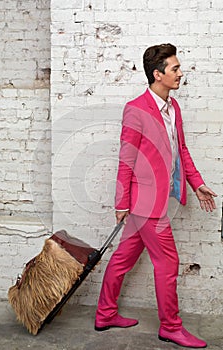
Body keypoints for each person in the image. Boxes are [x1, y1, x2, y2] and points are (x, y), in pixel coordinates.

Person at [94, 43, 217, 348]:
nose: (180, 73)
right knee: (168, 261)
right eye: (175, 68)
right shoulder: (136, 109)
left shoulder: (173, 108)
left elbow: (182, 150)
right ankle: (171, 327)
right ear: (157, 74)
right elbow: (127, 160)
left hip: (158, 199)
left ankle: (105, 314)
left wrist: (196, 183)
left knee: (123, 257)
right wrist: (122, 203)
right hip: (145, 203)